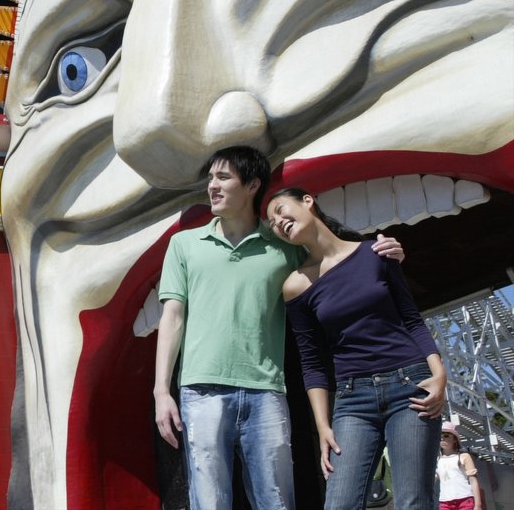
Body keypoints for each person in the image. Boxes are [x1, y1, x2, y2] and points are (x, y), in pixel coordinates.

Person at [153, 146, 404, 509]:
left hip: (267, 392)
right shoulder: (184, 244)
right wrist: (162, 391)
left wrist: (378, 251)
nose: (212, 186)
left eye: (223, 177)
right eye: (210, 179)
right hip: (200, 391)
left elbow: (334, 257)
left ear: (252, 184)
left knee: (277, 502)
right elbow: (172, 316)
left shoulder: (283, 248)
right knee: (208, 503)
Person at [266, 187, 446, 510]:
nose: (278, 222)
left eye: (280, 210)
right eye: (272, 223)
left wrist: (439, 373)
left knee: (413, 501)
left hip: (411, 386)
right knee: (339, 504)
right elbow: (312, 363)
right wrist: (322, 426)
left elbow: (411, 319)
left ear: (308, 201)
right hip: (353, 401)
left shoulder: (376, 252)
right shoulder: (296, 285)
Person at [437, 421, 483, 510]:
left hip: (465, 499)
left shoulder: (464, 456)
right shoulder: (437, 460)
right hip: (444, 501)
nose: (442, 438)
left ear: (455, 439)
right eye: (440, 436)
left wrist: (478, 505)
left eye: (446, 436)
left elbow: (473, 481)